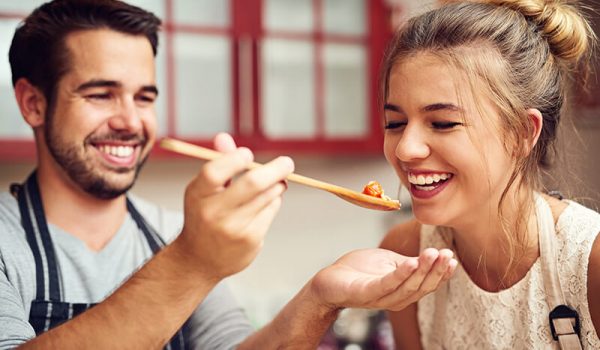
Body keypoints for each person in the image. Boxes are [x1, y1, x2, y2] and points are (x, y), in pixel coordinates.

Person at [0, 0, 459, 348]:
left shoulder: (171, 233)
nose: (130, 120)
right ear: (33, 103)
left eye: (144, 97)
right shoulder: (8, 241)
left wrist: (320, 298)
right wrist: (193, 262)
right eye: (100, 94)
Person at [378, 0, 600, 348]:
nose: (406, 149)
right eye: (395, 123)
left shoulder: (591, 263)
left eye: (442, 123)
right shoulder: (404, 252)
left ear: (522, 133)